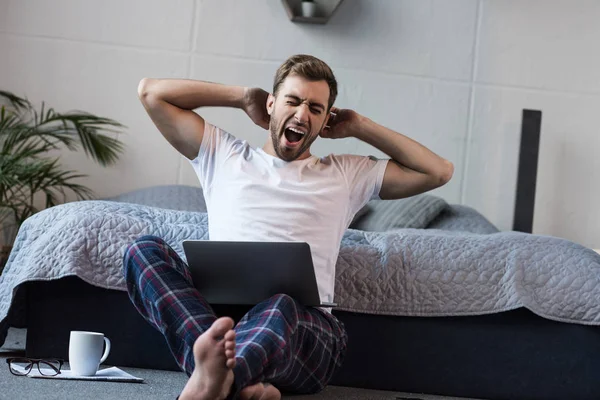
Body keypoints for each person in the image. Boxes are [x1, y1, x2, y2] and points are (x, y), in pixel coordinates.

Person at [123, 54, 453, 400]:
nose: (301, 114)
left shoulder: (346, 173)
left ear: (327, 119)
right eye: (293, 101)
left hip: (307, 332)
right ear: (272, 104)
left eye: (315, 108)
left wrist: (360, 125)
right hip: (224, 322)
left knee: (280, 304)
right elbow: (151, 93)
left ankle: (215, 376)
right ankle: (239, 382)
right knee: (143, 251)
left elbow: (438, 171)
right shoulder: (223, 153)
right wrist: (241, 96)